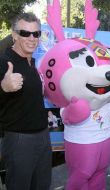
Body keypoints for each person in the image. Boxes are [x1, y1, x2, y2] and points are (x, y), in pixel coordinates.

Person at [0, 13, 52, 189]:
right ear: (14, 35)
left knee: (42, 186)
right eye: (25, 33)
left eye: (36, 34)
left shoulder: (32, 62)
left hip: (43, 136)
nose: (32, 38)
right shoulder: (4, 62)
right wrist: (3, 87)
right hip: (19, 140)